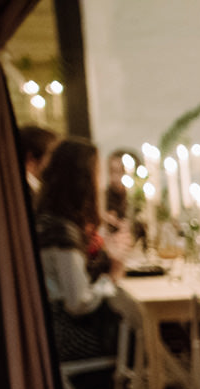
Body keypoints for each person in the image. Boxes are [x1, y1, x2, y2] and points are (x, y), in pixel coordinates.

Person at [33, 137, 126, 361]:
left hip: (50, 328)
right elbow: (79, 303)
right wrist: (111, 277)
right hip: (66, 336)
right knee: (138, 334)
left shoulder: (48, 219)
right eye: (97, 174)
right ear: (82, 180)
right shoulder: (61, 233)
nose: (100, 183)